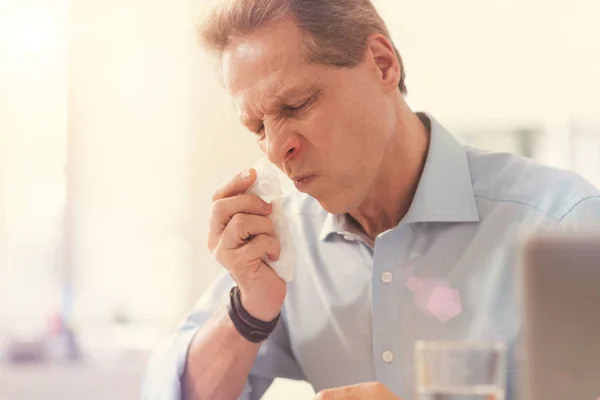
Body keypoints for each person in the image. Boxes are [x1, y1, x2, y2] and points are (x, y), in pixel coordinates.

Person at [142, 0, 600, 399]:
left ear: (382, 64)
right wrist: (250, 309)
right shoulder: (283, 244)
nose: (278, 147)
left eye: (297, 104)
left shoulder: (566, 226)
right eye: (257, 127)